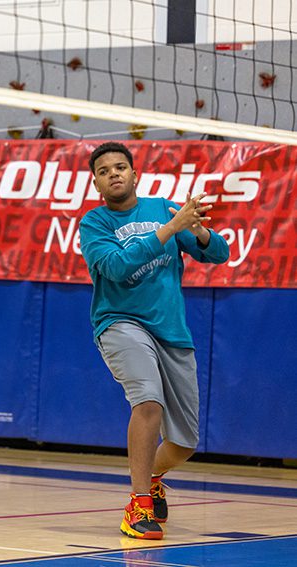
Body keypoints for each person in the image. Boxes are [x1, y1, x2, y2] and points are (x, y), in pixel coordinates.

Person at [79, 142, 230, 540]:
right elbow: (114, 267)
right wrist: (171, 228)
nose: (114, 174)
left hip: (171, 331)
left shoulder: (161, 208)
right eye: (105, 170)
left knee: (184, 443)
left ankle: (155, 475)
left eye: (120, 167)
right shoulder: (94, 224)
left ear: (135, 175)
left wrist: (197, 231)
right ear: (96, 182)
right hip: (120, 323)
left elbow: (219, 254)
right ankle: (138, 503)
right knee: (148, 401)